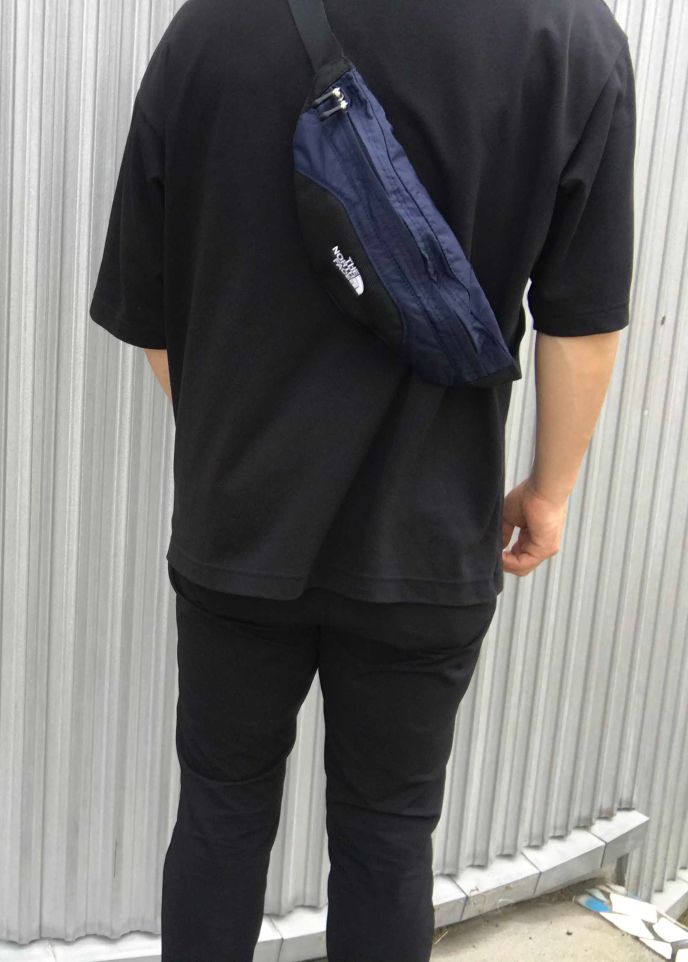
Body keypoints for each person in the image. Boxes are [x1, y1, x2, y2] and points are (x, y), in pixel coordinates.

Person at [87, 0, 637, 959]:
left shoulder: (212, 28)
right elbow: (582, 320)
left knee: (221, 810)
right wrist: (548, 492)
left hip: (241, 525)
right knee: (388, 837)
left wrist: (233, 450)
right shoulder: (571, 37)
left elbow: (152, 312)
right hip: (430, 531)